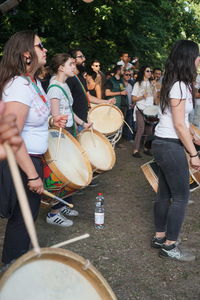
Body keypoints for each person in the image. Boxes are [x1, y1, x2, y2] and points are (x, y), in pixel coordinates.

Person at [0, 30, 67, 265]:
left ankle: (14, 268)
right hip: (22, 162)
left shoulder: (35, 82)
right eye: (40, 46)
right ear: (27, 54)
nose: (45, 49)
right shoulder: (18, 85)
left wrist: (51, 121)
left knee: (26, 219)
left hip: (32, 158)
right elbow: (11, 134)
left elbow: (31, 119)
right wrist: (32, 175)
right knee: (22, 220)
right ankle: (12, 272)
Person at [151, 40, 200, 261]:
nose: (199, 61)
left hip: (162, 142)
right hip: (169, 145)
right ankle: (170, 245)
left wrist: (194, 132)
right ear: (189, 59)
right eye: (197, 56)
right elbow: (178, 125)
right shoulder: (179, 85)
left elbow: (179, 120)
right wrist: (194, 154)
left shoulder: (176, 82)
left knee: (164, 194)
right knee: (181, 196)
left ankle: (159, 236)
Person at [46, 53, 92, 227]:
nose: (74, 67)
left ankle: (63, 205)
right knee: (63, 171)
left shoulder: (63, 85)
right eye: (71, 64)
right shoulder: (55, 88)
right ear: (60, 67)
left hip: (70, 130)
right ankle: (53, 213)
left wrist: (82, 123)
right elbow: (56, 117)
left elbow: (69, 111)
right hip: (61, 134)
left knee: (71, 169)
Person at [66, 49, 115, 133]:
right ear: (73, 60)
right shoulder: (69, 78)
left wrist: (106, 102)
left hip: (83, 121)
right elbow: (65, 104)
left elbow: (88, 97)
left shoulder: (81, 78)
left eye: (83, 56)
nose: (84, 59)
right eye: (80, 57)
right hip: (74, 123)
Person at [131, 66, 157, 157]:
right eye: (148, 71)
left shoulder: (152, 83)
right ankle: (135, 150)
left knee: (149, 131)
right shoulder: (137, 84)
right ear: (143, 72)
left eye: (151, 71)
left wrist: (154, 87)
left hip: (150, 111)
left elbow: (155, 98)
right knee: (141, 129)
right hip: (140, 109)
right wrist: (142, 97)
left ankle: (146, 149)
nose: (150, 73)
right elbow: (133, 98)